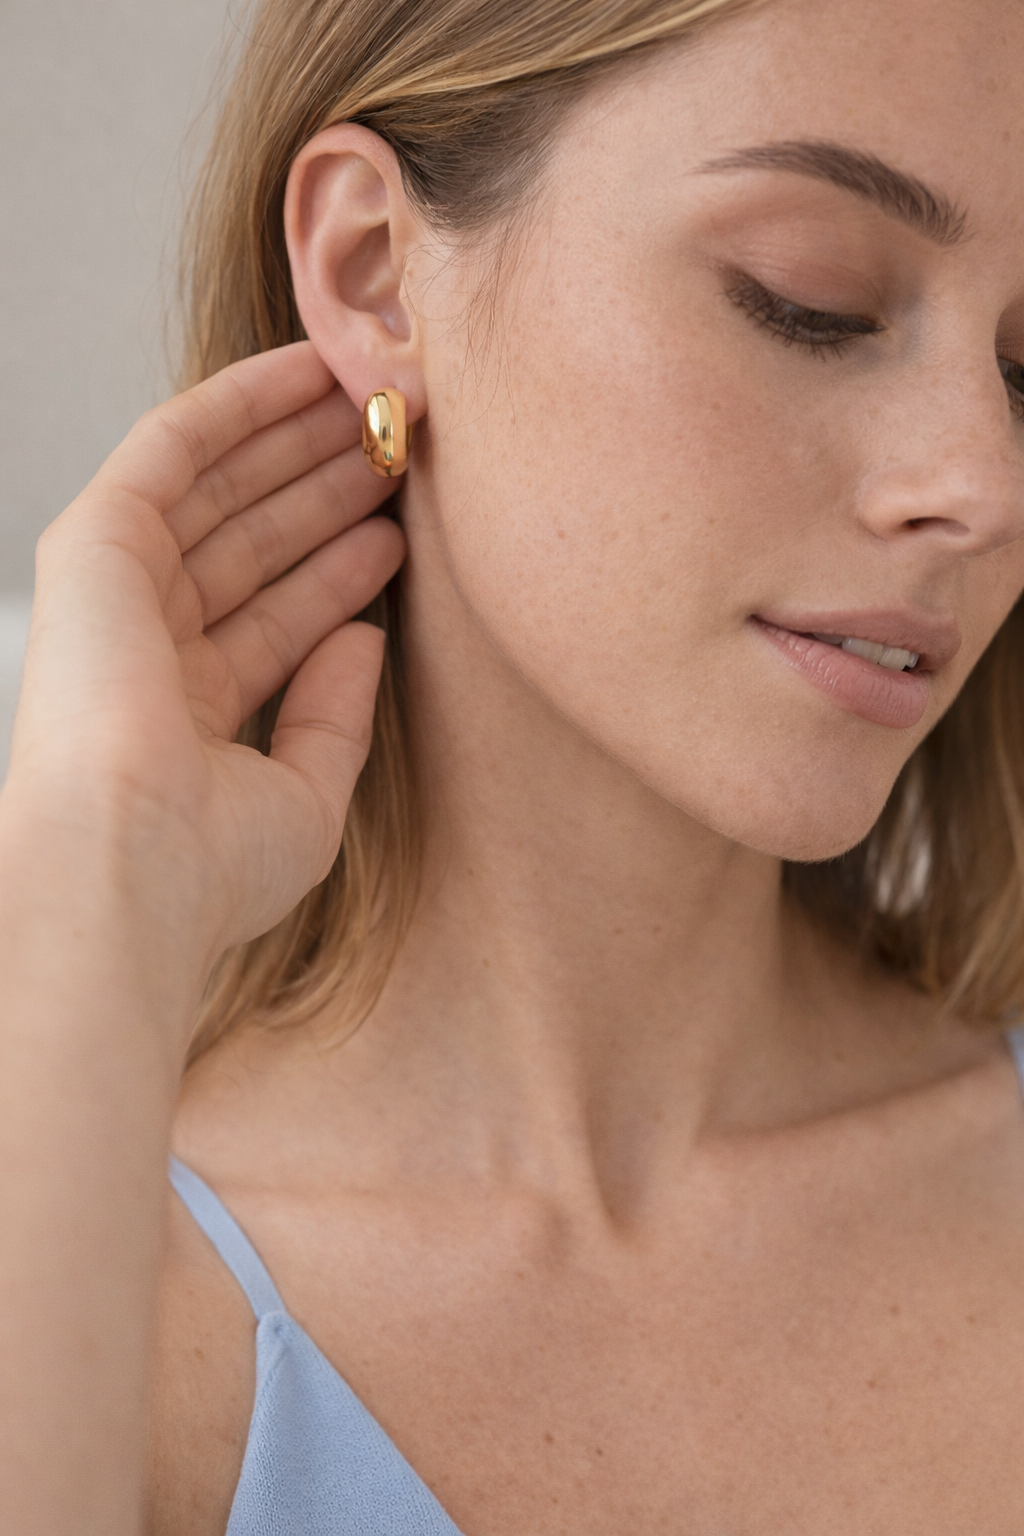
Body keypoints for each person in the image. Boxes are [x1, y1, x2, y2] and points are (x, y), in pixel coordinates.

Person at [2, 0, 1024, 1529]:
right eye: (808, 300)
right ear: (375, 269)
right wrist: (95, 877)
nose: (985, 484)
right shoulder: (101, 1304)